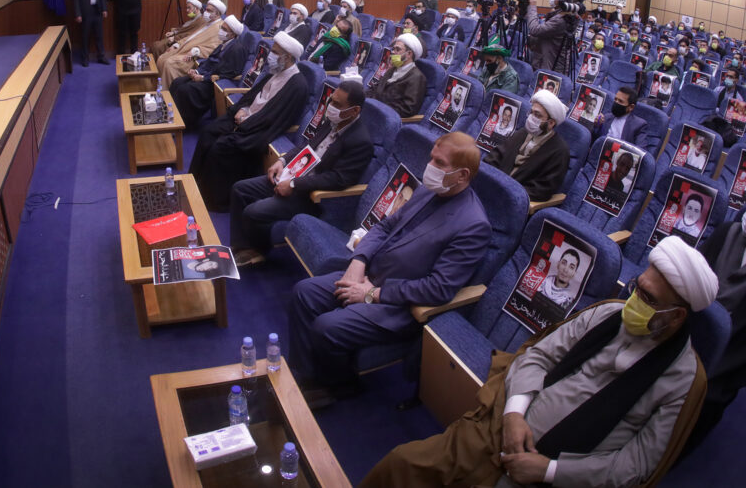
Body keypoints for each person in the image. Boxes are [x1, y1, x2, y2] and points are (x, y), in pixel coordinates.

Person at [361, 235, 719, 488]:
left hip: (559, 478)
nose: (635, 301)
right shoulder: (608, 313)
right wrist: (514, 414)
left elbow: (636, 465)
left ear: (676, 316)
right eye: (637, 288)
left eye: (648, 298)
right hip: (500, 430)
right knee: (402, 465)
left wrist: (548, 471)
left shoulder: (683, 380)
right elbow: (539, 354)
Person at [288, 132, 490, 400]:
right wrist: (358, 261)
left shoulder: (473, 225)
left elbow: (438, 288)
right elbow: (385, 227)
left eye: (439, 163)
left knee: (326, 327)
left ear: (462, 175)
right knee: (303, 293)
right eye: (431, 158)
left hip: (399, 305)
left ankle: (337, 385)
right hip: (370, 274)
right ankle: (305, 376)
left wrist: (373, 293)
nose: (430, 166)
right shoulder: (429, 189)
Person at [230, 81, 374, 265]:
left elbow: (339, 179)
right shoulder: (332, 121)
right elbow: (306, 146)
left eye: (337, 104)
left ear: (354, 111)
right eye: (331, 100)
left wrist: (294, 185)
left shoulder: (361, 142)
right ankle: (242, 246)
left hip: (310, 196)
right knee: (240, 189)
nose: (330, 106)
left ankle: (258, 251)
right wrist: (282, 161)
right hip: (293, 175)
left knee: (253, 212)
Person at [690, 173, 746, 453]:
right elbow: (694, 278)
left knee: (706, 394)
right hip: (694, 325)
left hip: (733, 346)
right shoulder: (726, 232)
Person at [190, 32, 309, 210]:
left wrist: (246, 121)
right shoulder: (275, 72)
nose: (270, 55)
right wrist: (243, 109)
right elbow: (253, 96)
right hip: (246, 118)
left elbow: (275, 117)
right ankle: (193, 184)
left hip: (259, 129)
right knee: (208, 132)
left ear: (288, 57)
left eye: (275, 52)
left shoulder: (297, 85)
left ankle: (214, 201)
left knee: (220, 148)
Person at [485, 90, 571, 201]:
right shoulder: (523, 133)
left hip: (514, 199)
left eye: (537, 115)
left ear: (551, 123)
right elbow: (495, 156)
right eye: (531, 112)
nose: (531, 117)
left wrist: (508, 192)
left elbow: (541, 190)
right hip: (493, 185)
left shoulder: (560, 151)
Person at [169, 14, 249, 128]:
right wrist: (197, 72)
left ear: (233, 34)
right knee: (177, 82)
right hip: (206, 75)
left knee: (185, 90)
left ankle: (182, 124)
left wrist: (203, 78)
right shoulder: (223, 44)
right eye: (221, 27)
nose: (221, 31)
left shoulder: (237, 49)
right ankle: (171, 116)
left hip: (214, 83)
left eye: (224, 29)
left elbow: (228, 73)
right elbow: (209, 61)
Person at [157, 0, 226, 85]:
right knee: (162, 58)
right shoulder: (207, 23)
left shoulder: (219, 27)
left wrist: (195, 51)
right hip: (184, 48)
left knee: (169, 63)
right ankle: (160, 86)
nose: (205, 12)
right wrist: (177, 44)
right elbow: (191, 36)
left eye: (209, 11)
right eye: (206, 10)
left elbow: (213, 48)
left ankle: (169, 91)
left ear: (217, 13)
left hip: (193, 56)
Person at [367, 33, 427, 118]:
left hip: (386, 117)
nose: (393, 52)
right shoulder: (392, 70)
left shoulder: (417, 77)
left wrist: (378, 107)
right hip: (372, 109)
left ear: (409, 54)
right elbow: (375, 89)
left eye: (397, 49)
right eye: (393, 49)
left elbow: (407, 110)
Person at [527, 0, 578, 74]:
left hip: (551, 66)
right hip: (548, 61)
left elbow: (534, 29)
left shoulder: (560, 19)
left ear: (562, 1)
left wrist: (532, 7)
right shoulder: (561, 14)